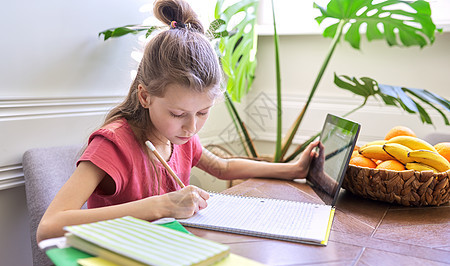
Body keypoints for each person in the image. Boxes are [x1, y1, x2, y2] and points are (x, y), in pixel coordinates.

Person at [36, 0, 319, 243]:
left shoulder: (178, 138)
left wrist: (293, 168)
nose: (191, 127)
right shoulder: (113, 145)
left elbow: (223, 167)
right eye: (178, 114)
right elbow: (49, 227)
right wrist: (159, 206)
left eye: (203, 112)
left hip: (167, 256)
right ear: (145, 96)